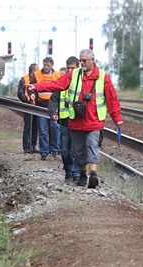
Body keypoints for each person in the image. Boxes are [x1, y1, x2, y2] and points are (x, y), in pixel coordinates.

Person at [26, 49, 123, 188]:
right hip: (76, 120)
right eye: (81, 60)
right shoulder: (74, 75)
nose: (82, 63)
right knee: (78, 151)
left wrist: (117, 119)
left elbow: (112, 99)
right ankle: (83, 174)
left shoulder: (102, 77)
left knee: (92, 145)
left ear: (92, 60)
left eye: (84, 60)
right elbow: (56, 85)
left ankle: (93, 174)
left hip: (94, 120)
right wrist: (36, 87)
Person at [49, 56, 81, 182]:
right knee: (64, 150)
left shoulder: (82, 82)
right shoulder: (62, 81)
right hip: (65, 121)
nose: (70, 71)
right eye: (68, 68)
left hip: (78, 121)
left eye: (72, 68)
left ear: (78, 68)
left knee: (77, 149)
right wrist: (53, 112)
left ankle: (76, 173)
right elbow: (53, 99)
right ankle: (68, 170)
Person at [33, 57, 61, 161]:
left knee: (55, 127)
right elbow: (32, 86)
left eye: (48, 65)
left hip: (53, 105)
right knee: (42, 130)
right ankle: (44, 152)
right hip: (41, 106)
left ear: (52, 65)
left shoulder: (58, 75)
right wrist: (32, 95)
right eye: (44, 65)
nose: (46, 67)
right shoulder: (37, 75)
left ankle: (55, 149)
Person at [17, 63, 39, 154]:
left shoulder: (38, 79)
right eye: (37, 70)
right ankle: (26, 147)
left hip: (37, 106)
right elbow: (20, 93)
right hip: (28, 106)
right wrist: (27, 102)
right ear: (33, 71)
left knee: (35, 127)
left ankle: (33, 146)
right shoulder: (24, 79)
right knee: (28, 127)